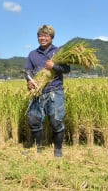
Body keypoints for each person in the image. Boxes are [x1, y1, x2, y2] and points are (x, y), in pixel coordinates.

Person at [24, 25, 70, 157]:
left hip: (55, 90)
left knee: (56, 121)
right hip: (38, 92)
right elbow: (27, 71)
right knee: (34, 119)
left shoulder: (59, 51)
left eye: (46, 35)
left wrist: (53, 66)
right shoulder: (33, 54)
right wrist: (29, 81)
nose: (42, 38)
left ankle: (58, 149)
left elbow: (67, 69)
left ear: (51, 37)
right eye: (40, 35)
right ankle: (38, 148)